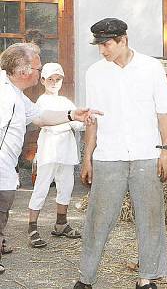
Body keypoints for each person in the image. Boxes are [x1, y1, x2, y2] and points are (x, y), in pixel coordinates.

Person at [74, 18, 167, 289]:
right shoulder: (94, 72)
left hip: (146, 153)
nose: (102, 51)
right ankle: (85, 279)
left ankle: (147, 279)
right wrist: (87, 157)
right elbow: (92, 118)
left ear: (123, 40)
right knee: (98, 219)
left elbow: (163, 111)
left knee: (150, 218)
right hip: (108, 156)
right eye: (99, 45)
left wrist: (165, 151)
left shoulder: (152, 67)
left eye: (106, 44)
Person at [0, 43, 100, 274]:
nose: (39, 72)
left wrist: (71, 114)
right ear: (23, 71)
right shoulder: (5, 96)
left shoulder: (15, 93)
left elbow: (40, 116)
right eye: (37, 68)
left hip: (7, 166)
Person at [28, 63, 84, 249]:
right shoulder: (41, 102)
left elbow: (78, 124)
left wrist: (84, 119)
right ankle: (32, 227)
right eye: (50, 79)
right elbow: (44, 122)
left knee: (66, 186)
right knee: (41, 187)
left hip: (66, 150)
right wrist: (67, 121)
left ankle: (61, 223)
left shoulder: (66, 102)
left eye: (57, 79)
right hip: (49, 150)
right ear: (43, 80)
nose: (54, 82)